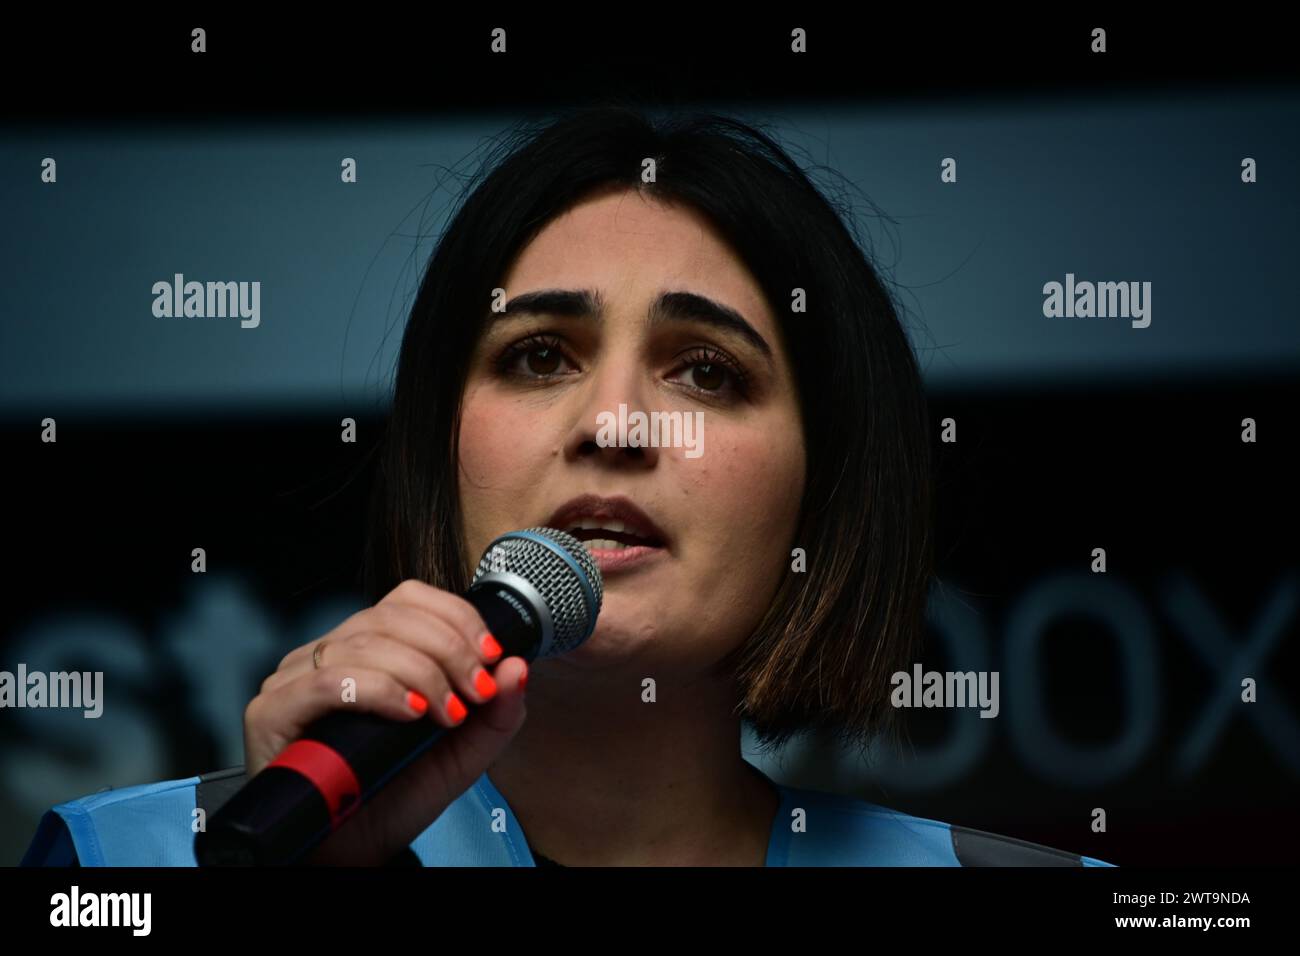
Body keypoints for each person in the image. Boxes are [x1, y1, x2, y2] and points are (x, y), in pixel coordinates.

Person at [22, 105, 1111, 867]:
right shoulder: (128, 865)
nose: (613, 422)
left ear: (821, 492)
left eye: (707, 370)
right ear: (440, 451)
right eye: (538, 355)